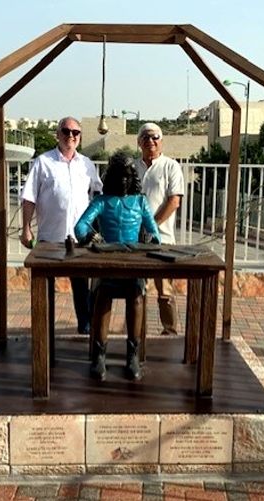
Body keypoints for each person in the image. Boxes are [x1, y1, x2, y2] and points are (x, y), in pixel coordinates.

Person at [75, 152, 160, 381]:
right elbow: (80, 226)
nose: (124, 181)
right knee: (102, 295)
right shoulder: (101, 202)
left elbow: (155, 233)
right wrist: (91, 236)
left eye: (128, 176)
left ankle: (132, 355)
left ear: (133, 178)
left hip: (133, 265)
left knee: (136, 296)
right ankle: (99, 355)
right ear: (111, 178)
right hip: (107, 263)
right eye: (119, 176)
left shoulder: (140, 201)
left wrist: (150, 238)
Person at [20, 116, 103, 334]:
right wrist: (26, 228)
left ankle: (85, 327)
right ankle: (43, 329)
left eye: (75, 132)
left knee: (81, 285)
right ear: (58, 134)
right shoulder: (43, 162)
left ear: (80, 137)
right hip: (50, 237)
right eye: (66, 131)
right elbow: (29, 197)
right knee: (45, 287)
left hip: (80, 238)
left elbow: (98, 194)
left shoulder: (86, 164)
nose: (71, 136)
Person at [134, 122, 185, 336]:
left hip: (162, 239)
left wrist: (151, 225)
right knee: (137, 290)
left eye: (155, 137)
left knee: (164, 290)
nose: (150, 141)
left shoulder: (171, 166)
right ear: (139, 142)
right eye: (145, 137)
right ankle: (137, 334)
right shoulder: (133, 167)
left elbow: (174, 201)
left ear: (161, 141)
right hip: (135, 240)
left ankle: (170, 332)